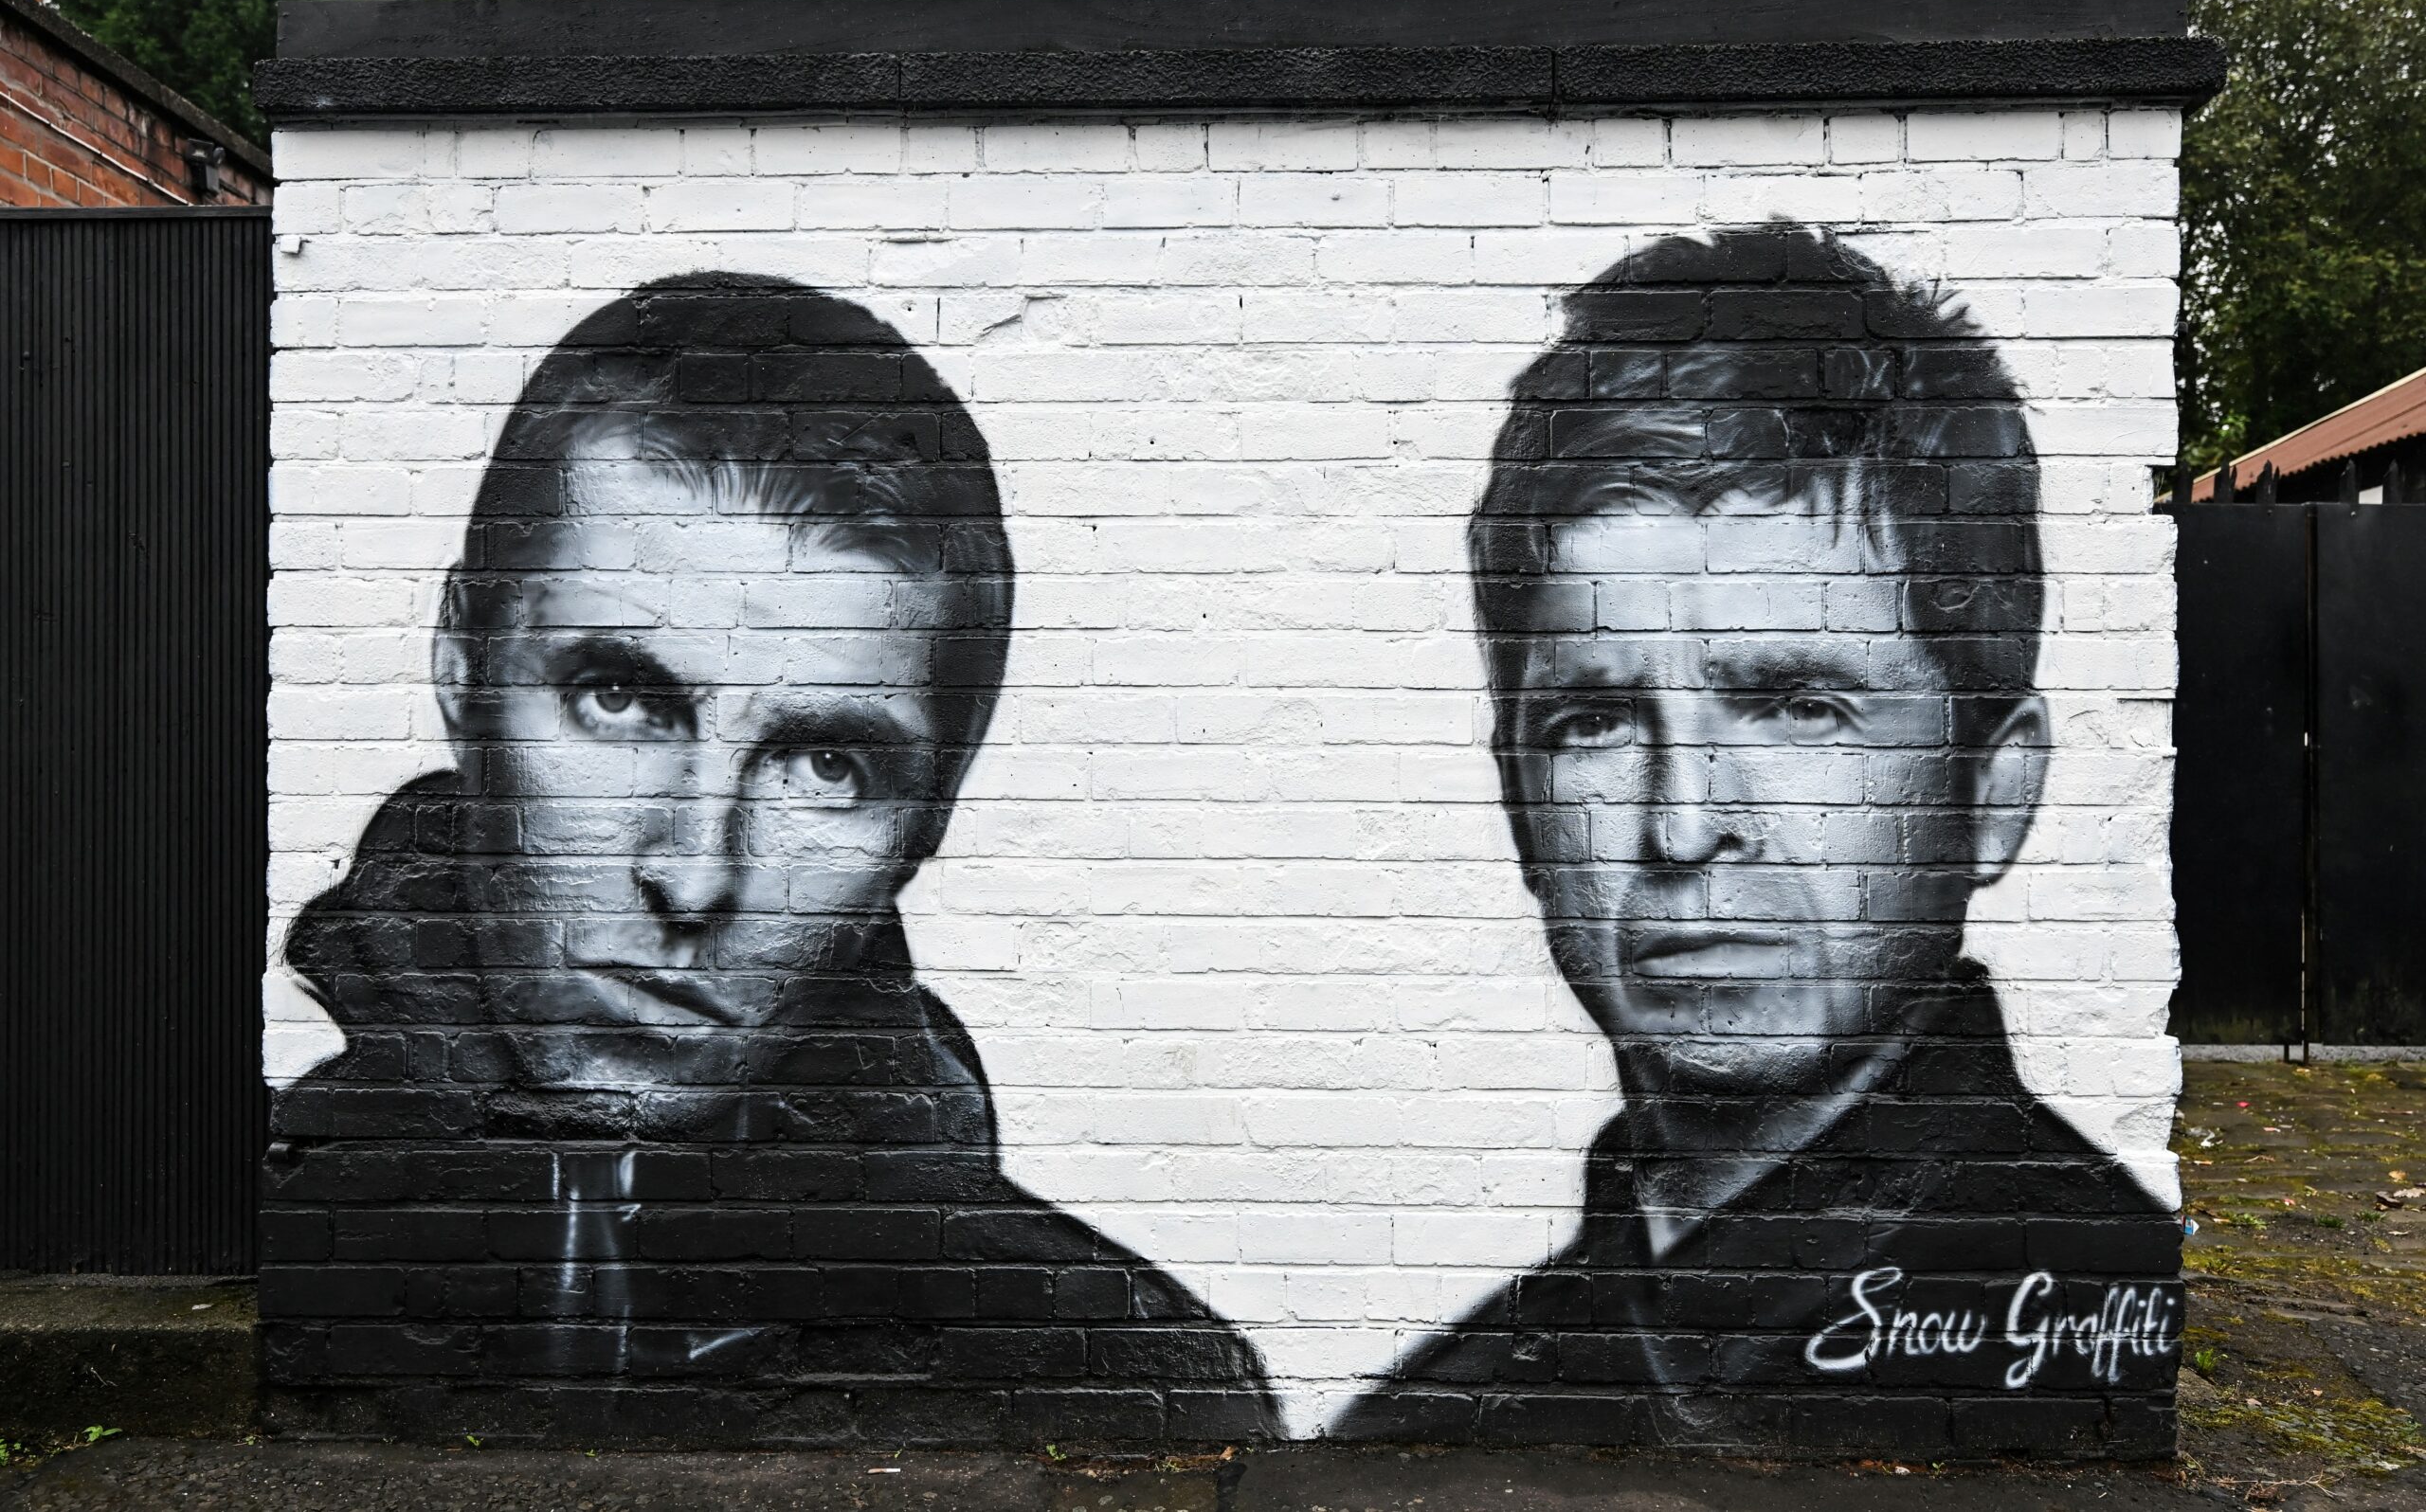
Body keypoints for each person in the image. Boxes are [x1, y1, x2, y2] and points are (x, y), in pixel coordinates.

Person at [262, 273, 1275, 1447]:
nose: (693, 877)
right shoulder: (239, 1279)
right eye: (620, 698)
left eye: (823, 768)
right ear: (459, 661)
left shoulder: (1120, 1387)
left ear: (929, 818)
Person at [1339, 223, 2180, 1454]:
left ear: (1993, 789)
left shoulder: (2100, 1346)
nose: (1683, 823)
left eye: (1798, 705)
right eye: (1596, 721)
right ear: (1517, 797)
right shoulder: (1422, 1422)